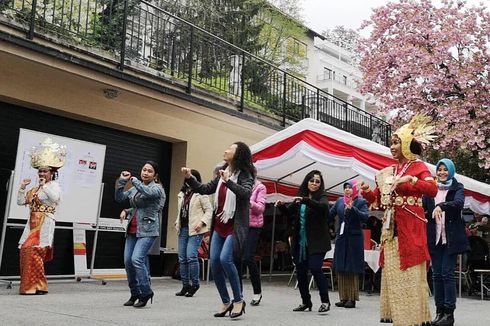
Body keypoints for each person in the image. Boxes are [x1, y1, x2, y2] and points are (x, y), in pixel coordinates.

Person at [360, 114, 438, 325]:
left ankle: (413, 319)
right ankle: (400, 318)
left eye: (396, 142)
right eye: (391, 143)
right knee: (395, 276)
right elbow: (379, 200)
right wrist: (367, 192)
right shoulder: (389, 171)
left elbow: (432, 189)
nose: (392, 146)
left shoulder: (419, 167)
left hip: (411, 229)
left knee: (410, 276)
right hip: (391, 231)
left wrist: (411, 179)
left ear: (406, 144)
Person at [181, 141, 254, 319]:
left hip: (234, 226)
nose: (225, 150)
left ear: (238, 155)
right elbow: (204, 189)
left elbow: (246, 193)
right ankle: (225, 301)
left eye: (230, 148)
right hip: (219, 225)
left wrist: (228, 182)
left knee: (225, 259)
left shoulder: (245, 174)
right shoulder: (223, 171)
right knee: (214, 262)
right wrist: (190, 177)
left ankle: (238, 300)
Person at [276, 170, 331, 313]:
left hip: (317, 242)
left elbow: (323, 207)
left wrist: (307, 200)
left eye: (317, 181)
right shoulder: (300, 198)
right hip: (300, 242)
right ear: (307, 182)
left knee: (315, 268)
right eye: (311, 180)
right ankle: (306, 302)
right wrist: (281, 206)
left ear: (320, 184)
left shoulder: (322, 197)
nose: (314, 183)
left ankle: (325, 301)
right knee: (300, 272)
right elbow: (289, 214)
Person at [17, 138, 66, 295]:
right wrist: (22, 188)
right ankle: (30, 286)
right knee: (26, 250)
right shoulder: (35, 188)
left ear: (52, 173)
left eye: (45, 171)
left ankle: (39, 286)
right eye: (40, 171)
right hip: (32, 224)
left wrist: (44, 185)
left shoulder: (53, 186)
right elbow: (20, 201)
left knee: (36, 253)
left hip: (44, 222)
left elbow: (55, 198)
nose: (42, 173)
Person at [423, 159, 469, 326]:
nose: (442, 172)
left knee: (447, 274)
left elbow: (458, 204)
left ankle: (449, 314)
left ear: (451, 171)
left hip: (450, 239)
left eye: (445, 169)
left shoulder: (458, 187)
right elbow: (423, 210)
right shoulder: (431, 190)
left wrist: (441, 206)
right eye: (439, 169)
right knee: (436, 275)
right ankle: (439, 312)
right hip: (434, 239)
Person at [115, 161, 165, 308]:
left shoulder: (157, 188)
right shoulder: (136, 187)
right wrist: (122, 181)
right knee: (128, 262)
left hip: (148, 230)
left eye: (149, 171)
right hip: (133, 229)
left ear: (155, 175)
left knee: (137, 259)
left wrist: (135, 181)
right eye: (144, 170)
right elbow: (120, 198)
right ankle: (135, 293)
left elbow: (147, 193)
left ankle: (146, 292)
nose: (145, 173)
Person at [329, 179, 368, 309]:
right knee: (341, 266)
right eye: (345, 187)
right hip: (342, 237)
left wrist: (354, 209)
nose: (347, 189)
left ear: (355, 189)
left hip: (354, 238)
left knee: (352, 267)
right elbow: (330, 215)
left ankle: (352, 298)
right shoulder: (340, 201)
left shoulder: (361, 201)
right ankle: (343, 297)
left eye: (350, 187)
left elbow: (365, 217)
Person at [174, 169, 213, 297]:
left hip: (196, 229)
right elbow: (181, 211)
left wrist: (201, 223)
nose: (190, 179)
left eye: (193, 178)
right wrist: (176, 222)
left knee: (191, 256)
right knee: (182, 258)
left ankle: (195, 284)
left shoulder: (201, 193)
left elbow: (209, 210)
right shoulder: (182, 193)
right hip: (183, 228)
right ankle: (185, 285)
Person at [242, 178, 266, 306]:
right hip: (240, 224)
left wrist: (250, 202)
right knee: (236, 257)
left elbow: (261, 208)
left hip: (253, 226)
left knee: (248, 257)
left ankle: (257, 291)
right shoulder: (241, 184)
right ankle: (237, 294)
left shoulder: (260, 187)